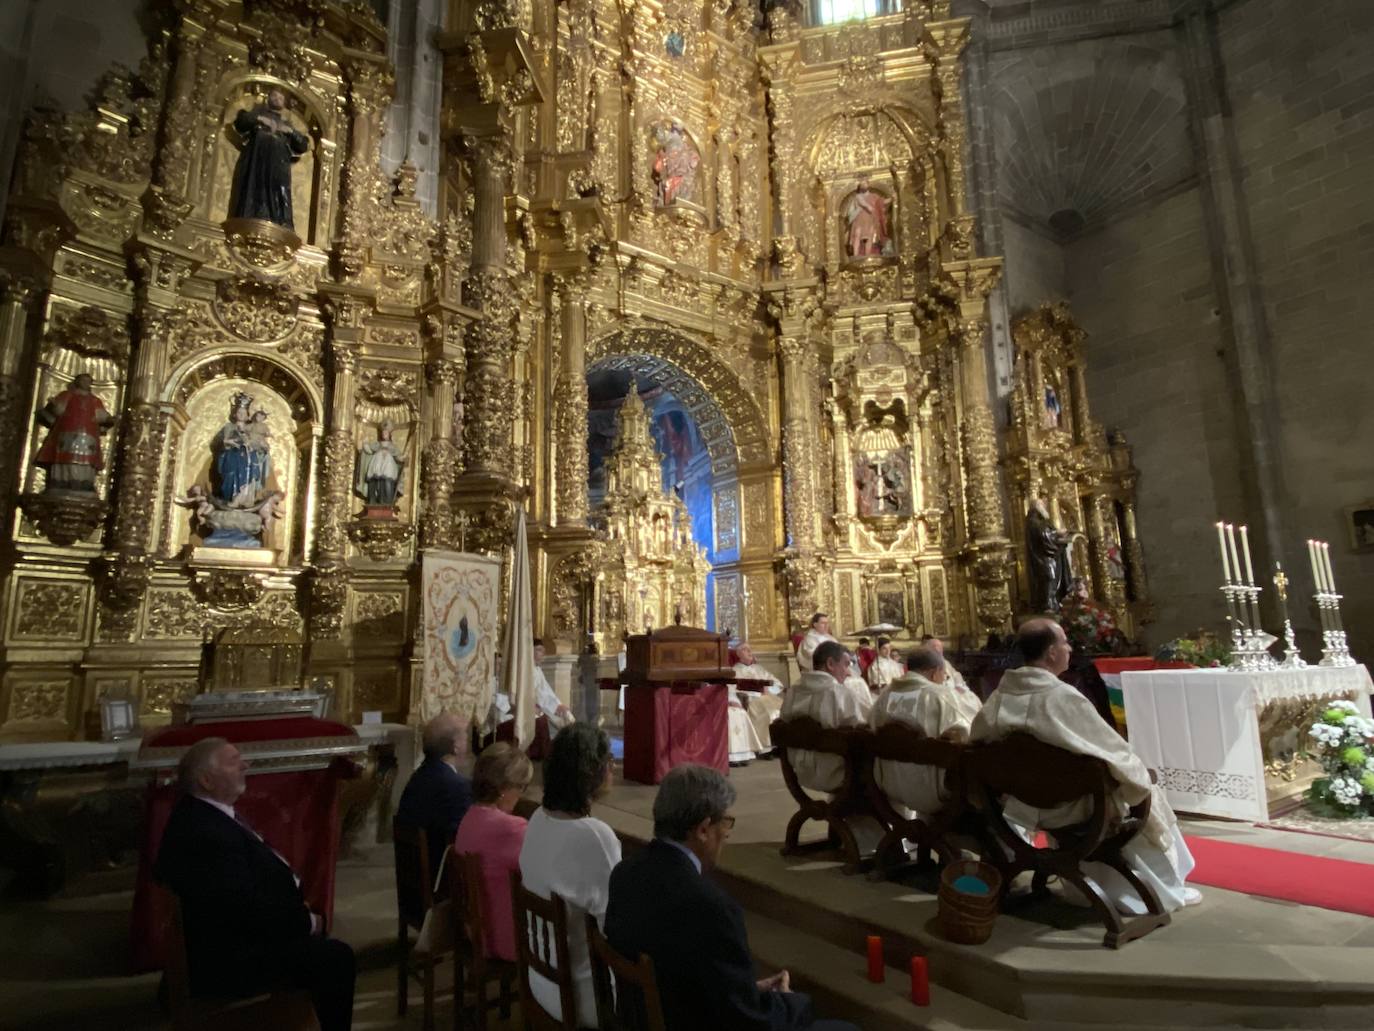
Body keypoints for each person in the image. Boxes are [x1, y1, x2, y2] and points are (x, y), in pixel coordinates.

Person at [970, 619, 1201, 915]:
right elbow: (1113, 753)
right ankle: (1159, 890)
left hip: (1026, 805)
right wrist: (1139, 776)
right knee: (1142, 787)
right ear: (1052, 653)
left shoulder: (999, 698)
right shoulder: (1060, 697)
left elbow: (977, 746)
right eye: (1065, 643)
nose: (1069, 648)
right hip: (1077, 806)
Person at [605, 766, 859, 1031]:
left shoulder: (624, 874)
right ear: (703, 829)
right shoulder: (712, 908)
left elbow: (676, 971)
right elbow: (750, 1023)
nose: (727, 832)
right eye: (725, 822)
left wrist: (745, 990)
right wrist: (788, 1001)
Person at [154, 738, 355, 1031]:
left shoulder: (201, 814)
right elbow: (243, 908)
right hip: (227, 960)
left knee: (322, 953)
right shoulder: (206, 832)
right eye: (234, 762)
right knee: (336, 959)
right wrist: (306, 922)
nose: (245, 766)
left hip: (232, 939)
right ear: (206, 780)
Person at [518, 724, 620, 1028]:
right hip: (583, 997)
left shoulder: (537, 818)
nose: (613, 768)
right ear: (591, 772)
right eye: (608, 762)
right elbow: (613, 924)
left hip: (540, 978)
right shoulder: (594, 836)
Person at [870, 647, 981, 819]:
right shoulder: (940, 695)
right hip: (931, 791)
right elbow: (973, 730)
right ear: (934, 672)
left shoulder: (885, 695)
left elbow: (870, 726)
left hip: (889, 785)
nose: (944, 679)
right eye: (944, 674)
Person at [453, 742, 533, 962]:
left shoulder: (470, 816)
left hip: (477, 932)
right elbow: (541, 869)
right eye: (521, 787)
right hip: (507, 939)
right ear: (503, 789)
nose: (521, 795)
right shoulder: (511, 828)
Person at [779, 640, 871, 794]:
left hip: (801, 771)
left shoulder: (793, 692)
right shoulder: (838, 693)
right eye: (846, 664)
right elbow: (863, 728)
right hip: (839, 773)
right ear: (830, 664)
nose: (848, 672)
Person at [396, 712, 473, 878]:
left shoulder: (417, 778)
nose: (468, 743)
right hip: (442, 880)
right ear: (456, 747)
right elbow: (464, 844)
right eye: (465, 738)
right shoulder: (457, 787)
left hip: (413, 879)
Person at [230, 87, 309, 229]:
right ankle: (250, 216)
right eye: (274, 96)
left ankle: (280, 223)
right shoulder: (257, 113)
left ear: (284, 103)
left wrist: (290, 131)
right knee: (255, 187)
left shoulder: (287, 125)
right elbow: (241, 122)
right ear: (268, 98)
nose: (277, 99)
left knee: (278, 192)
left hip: (279, 164)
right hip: (257, 160)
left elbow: (303, 145)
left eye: (280, 98)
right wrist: (260, 119)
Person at [35, 372, 115, 493]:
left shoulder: (94, 400)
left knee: (86, 459)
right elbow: (59, 410)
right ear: (77, 382)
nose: (85, 383)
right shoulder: (67, 395)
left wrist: (109, 419)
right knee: (64, 455)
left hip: (88, 434)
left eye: (88, 381)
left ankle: (83, 482)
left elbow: (101, 415)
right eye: (83, 380)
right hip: (68, 430)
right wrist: (54, 405)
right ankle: (62, 480)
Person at [732, 642, 784, 751]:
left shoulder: (759, 668)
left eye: (750, 649)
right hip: (751, 700)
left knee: (783, 709)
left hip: (767, 697)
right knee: (767, 713)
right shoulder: (735, 670)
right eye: (745, 649)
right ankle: (766, 748)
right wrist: (754, 692)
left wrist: (768, 688)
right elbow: (732, 689)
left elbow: (777, 683)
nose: (749, 652)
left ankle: (780, 744)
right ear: (738, 654)